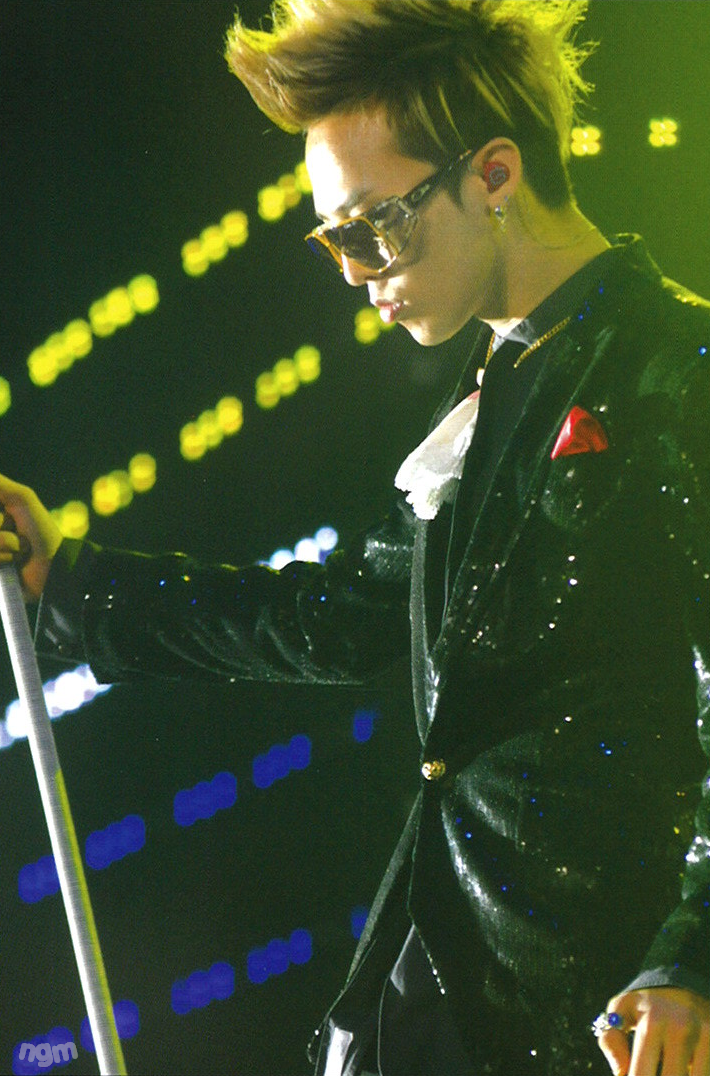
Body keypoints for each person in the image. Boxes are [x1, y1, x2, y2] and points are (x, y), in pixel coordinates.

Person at [1, 1, 709, 1073]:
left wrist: (690, 958)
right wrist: (71, 581)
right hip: (454, 985)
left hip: (610, 1010)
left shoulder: (676, 368)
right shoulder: (491, 395)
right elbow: (333, 617)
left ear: (494, 175)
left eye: (374, 225)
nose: (351, 268)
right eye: (334, 237)